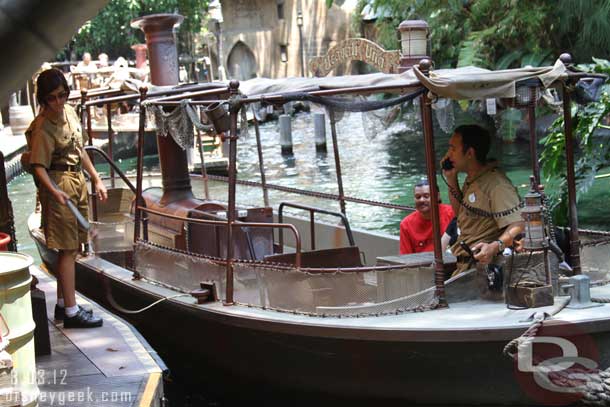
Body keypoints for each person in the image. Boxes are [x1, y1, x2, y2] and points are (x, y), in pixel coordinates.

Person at [27, 68, 107, 328]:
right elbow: (38, 165)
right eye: (52, 98)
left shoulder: (69, 112)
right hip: (58, 183)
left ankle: (63, 305)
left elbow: (79, 148)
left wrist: (95, 177)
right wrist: (54, 191)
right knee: (68, 248)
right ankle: (72, 312)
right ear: (44, 99)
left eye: (62, 95)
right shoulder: (43, 127)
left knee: (72, 246)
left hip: (76, 180)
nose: (59, 102)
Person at [441, 124, 524, 275]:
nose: (448, 154)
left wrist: (494, 247)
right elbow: (460, 215)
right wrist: (451, 179)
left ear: (470, 153)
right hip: (464, 267)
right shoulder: (473, 180)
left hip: (483, 270)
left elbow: (518, 223)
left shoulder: (497, 185)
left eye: (453, 149)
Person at [399, 179, 455, 254]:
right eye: (418, 197)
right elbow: (405, 257)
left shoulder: (452, 214)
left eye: (426, 196)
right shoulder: (406, 224)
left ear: (437, 196)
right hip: (421, 264)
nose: (421, 200)